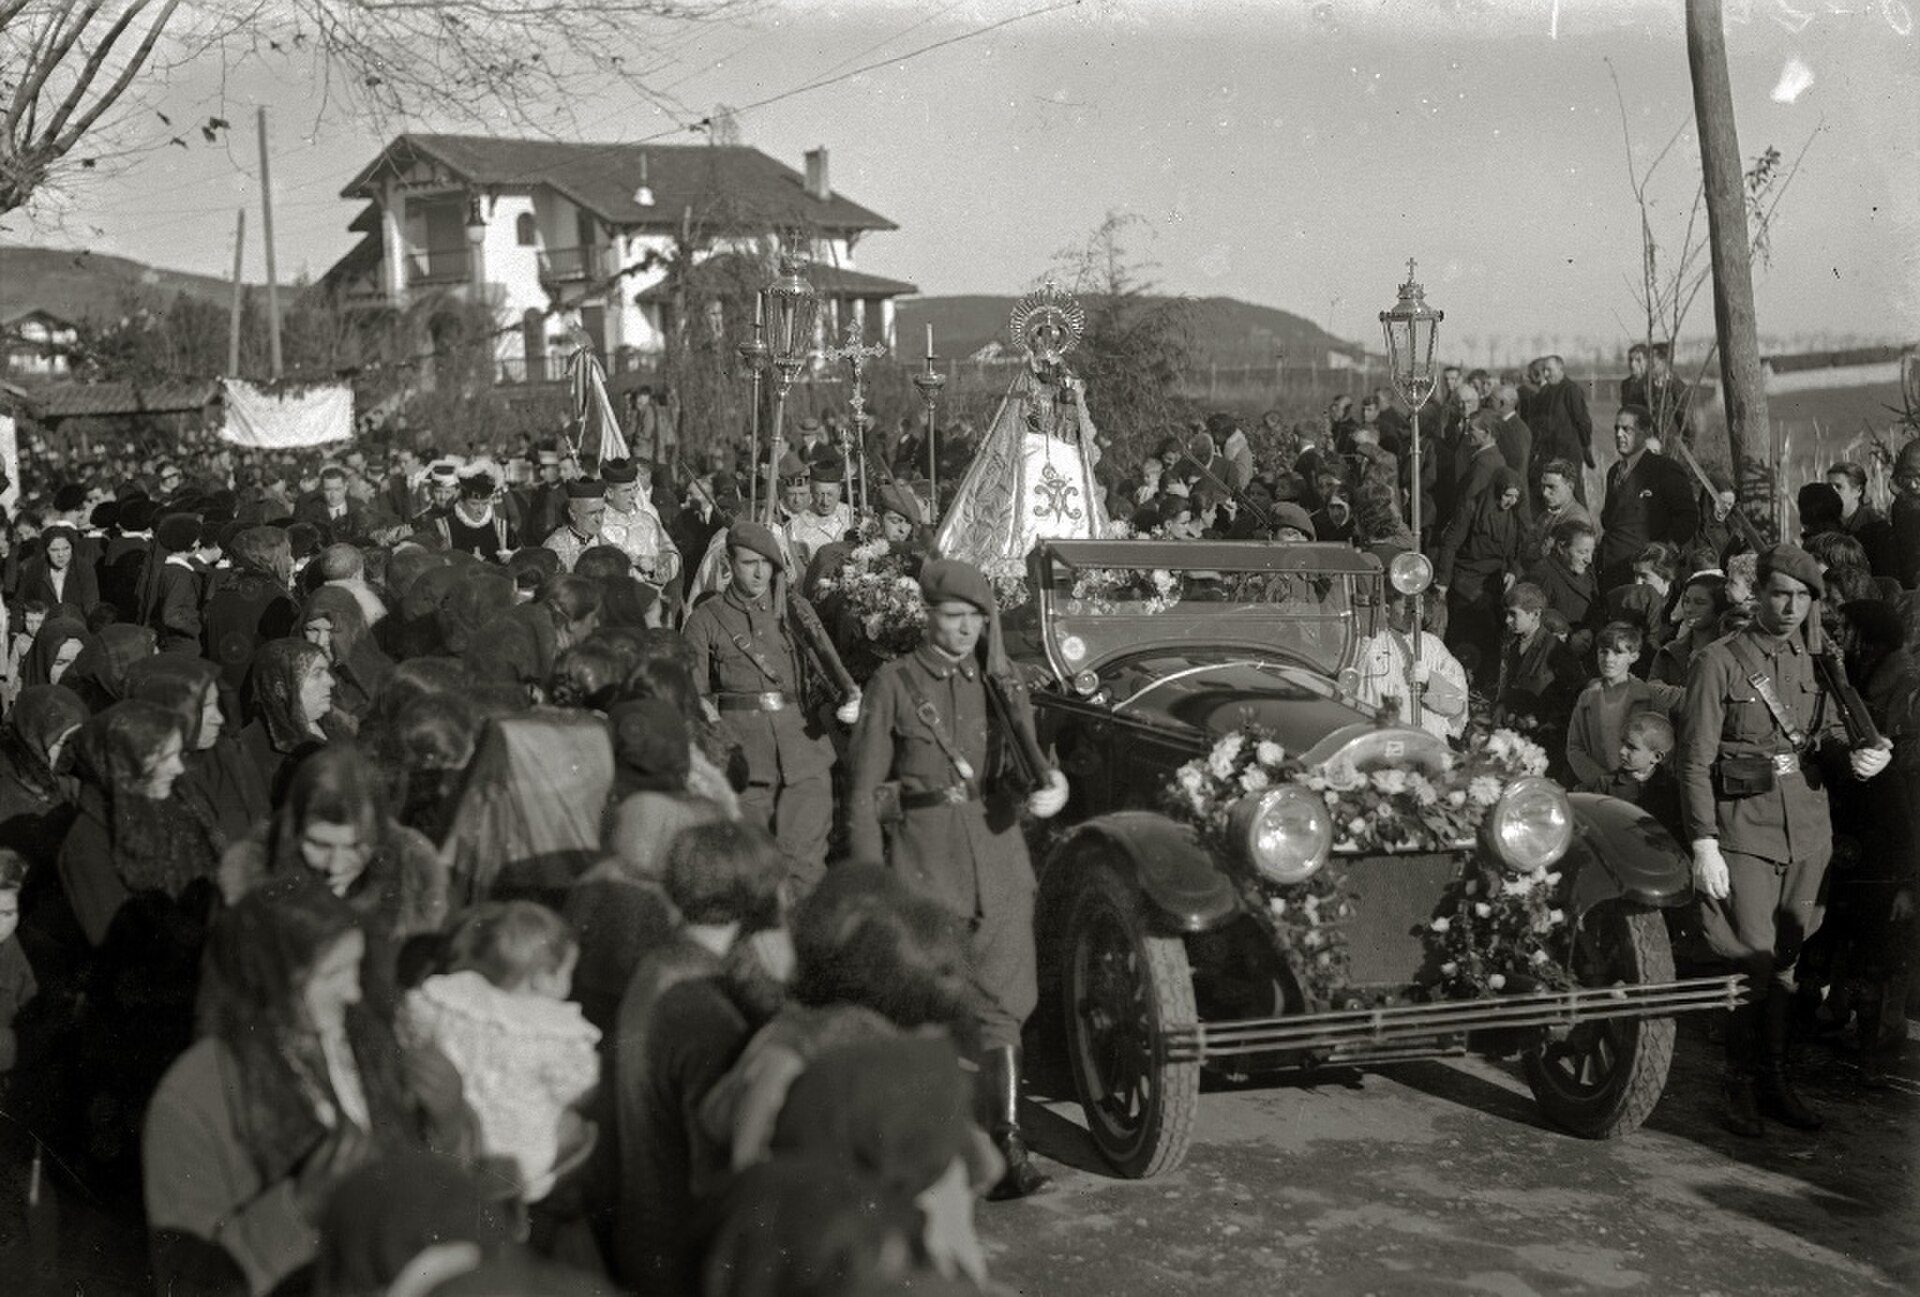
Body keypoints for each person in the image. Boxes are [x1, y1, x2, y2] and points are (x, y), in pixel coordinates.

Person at [846, 559, 1070, 1199]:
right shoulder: (893, 682)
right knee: (927, 1002)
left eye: (976, 617)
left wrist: (1053, 787)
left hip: (998, 855)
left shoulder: (1003, 682)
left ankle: (1006, 1146)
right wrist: (868, 879)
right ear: (929, 615)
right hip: (924, 857)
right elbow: (864, 792)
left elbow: (1033, 760)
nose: (966, 628)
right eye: (953, 616)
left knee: (1004, 1004)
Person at [142, 878, 475, 1297]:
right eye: (333, 974)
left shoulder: (367, 1040)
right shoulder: (194, 1096)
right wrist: (299, 1210)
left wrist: (449, 1118)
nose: (354, 992)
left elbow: (439, 1195)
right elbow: (188, 1284)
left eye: (355, 967)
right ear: (266, 979)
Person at [1676, 544, 1893, 1136]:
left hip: (1808, 828)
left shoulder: (1815, 661)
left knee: (1790, 963)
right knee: (1753, 960)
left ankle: (1775, 1080)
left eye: (1803, 597)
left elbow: (1822, 738)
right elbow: (1693, 762)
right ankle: (1739, 1084)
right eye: (1780, 594)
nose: (1792, 606)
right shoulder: (1718, 661)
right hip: (1743, 830)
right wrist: (1703, 842)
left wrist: (1858, 759)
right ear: (1760, 595)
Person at [611, 820, 788, 1294]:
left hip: (645, 1233)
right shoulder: (707, 1014)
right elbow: (716, 1167)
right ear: (759, 897)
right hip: (685, 1259)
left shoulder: (661, 963)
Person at [682, 521, 847, 895]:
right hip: (745, 759)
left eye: (766, 563)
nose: (758, 572)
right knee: (754, 871)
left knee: (804, 868)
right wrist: (720, 745)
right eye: (748, 563)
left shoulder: (795, 611)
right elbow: (695, 694)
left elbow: (829, 670)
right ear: (729, 564)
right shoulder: (706, 619)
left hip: (804, 754)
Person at [403, 901, 599, 1203]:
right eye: (567, 972)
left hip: (453, 1142)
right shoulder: (555, 1031)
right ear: (543, 977)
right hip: (522, 1161)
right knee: (582, 1131)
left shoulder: (448, 1000)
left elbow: (410, 1033)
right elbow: (577, 1088)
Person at [1564, 622, 1682, 790]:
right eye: (1603, 651)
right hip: (1598, 788)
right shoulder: (1588, 697)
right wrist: (1602, 781)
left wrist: (1637, 782)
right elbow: (1575, 747)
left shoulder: (1650, 697)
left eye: (1618, 652)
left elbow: (1664, 746)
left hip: (1640, 790)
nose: (1608, 659)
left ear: (1633, 656)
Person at [1597, 405, 1700, 591]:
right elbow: (1609, 520)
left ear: (1645, 433)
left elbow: (1688, 517)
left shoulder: (1664, 469)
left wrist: (1662, 555)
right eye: (1616, 429)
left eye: (1627, 429)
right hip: (1610, 570)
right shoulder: (1614, 472)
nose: (1619, 434)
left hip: (1642, 575)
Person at [1351, 588, 1469, 742]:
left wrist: (1430, 681)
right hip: (1384, 743)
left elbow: (1457, 705)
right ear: (1386, 610)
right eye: (1406, 608)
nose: (1413, 614)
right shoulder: (1371, 646)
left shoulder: (1433, 646)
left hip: (1428, 744)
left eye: (1416, 608)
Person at [238, 638, 338, 805]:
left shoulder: (336, 726)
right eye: (317, 674)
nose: (331, 681)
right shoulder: (250, 751)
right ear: (281, 688)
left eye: (327, 672)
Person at [204, 526, 300, 694]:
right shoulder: (275, 598)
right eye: (286, 554)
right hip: (258, 694)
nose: (291, 560)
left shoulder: (223, 592)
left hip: (223, 692)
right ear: (269, 557)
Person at [599, 458, 682, 587]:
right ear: (609, 493)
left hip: (652, 599)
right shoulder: (597, 523)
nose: (633, 495)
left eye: (635, 488)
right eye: (626, 491)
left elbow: (673, 556)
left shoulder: (647, 520)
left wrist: (655, 565)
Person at [1527, 355, 1595, 501]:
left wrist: (1585, 447)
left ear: (1560, 369)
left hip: (1569, 453)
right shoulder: (1546, 393)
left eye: (1549, 370)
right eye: (1544, 370)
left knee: (1574, 492)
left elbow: (1582, 421)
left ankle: (1582, 523)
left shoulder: (1571, 390)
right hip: (1550, 453)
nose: (1545, 374)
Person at [434, 459, 518, 561]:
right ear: (461, 502)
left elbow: (523, 558)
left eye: (485, 503)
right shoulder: (444, 527)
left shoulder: (501, 528)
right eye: (474, 504)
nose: (480, 510)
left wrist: (512, 557)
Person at [18, 523, 100, 616]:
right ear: (46, 551)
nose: (61, 555)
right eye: (54, 550)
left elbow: (91, 605)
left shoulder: (83, 568)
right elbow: (20, 601)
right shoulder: (36, 569)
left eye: (66, 549)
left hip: (76, 625)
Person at [543, 478, 609, 573]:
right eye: (592, 513)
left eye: (601, 512)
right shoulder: (555, 546)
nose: (599, 519)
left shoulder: (608, 538)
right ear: (573, 514)